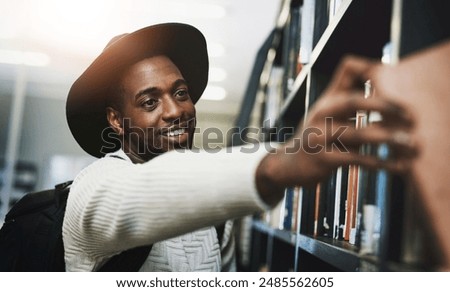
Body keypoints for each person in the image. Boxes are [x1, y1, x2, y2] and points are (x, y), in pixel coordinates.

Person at [63, 23, 416, 271]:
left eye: (180, 93)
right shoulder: (93, 187)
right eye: (150, 102)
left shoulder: (216, 219)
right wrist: (277, 164)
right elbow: (133, 197)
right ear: (115, 120)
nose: (174, 111)